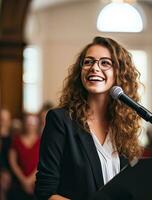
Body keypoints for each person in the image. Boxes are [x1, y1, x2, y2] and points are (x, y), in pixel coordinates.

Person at [35, 36, 142, 200]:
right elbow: (45, 193)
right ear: (80, 71)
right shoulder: (60, 120)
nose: (95, 68)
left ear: (118, 73)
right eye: (88, 62)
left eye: (105, 63)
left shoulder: (123, 126)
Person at [9, 113, 40, 200]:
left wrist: (30, 180)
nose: (30, 126)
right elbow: (13, 162)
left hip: (36, 182)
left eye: (33, 124)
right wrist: (23, 180)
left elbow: (42, 162)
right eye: (28, 123)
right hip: (18, 182)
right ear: (24, 124)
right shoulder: (16, 140)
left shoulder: (42, 141)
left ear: (37, 125)